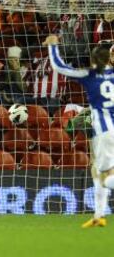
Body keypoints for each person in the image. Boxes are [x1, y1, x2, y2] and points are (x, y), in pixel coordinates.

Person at [46, 34, 113, 228]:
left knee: (106, 175)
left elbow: (60, 67)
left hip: (106, 132)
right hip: (107, 129)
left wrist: (53, 46)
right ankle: (99, 215)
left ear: (92, 60)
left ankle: (99, 214)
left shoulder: (89, 75)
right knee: (96, 169)